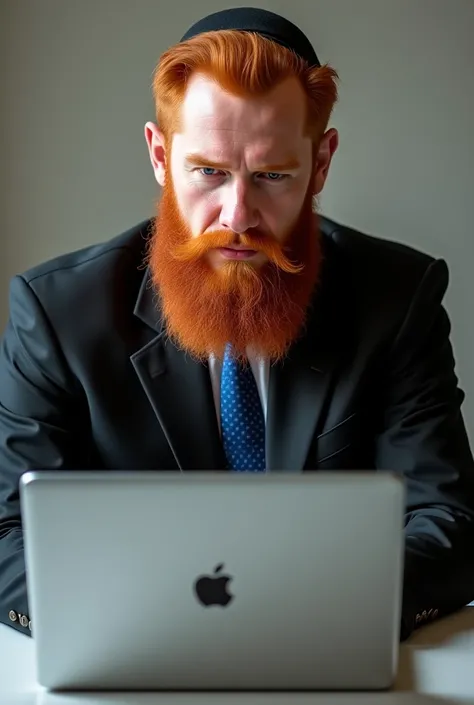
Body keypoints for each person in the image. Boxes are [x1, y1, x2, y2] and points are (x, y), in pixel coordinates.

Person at [1, 7, 474, 642]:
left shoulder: (398, 299)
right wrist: (173, 625)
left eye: (273, 176)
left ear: (322, 162)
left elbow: (448, 521)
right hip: (137, 657)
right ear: (160, 156)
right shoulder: (55, 313)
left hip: (323, 648)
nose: (238, 215)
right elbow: (7, 536)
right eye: (209, 173)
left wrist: (292, 617)